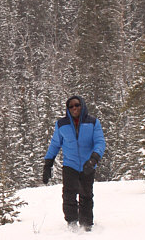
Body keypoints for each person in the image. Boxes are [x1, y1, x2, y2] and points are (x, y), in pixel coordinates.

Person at [41, 95, 106, 231]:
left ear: (82, 105)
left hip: (88, 164)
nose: (74, 108)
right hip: (70, 165)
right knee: (69, 195)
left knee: (86, 195)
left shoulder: (93, 122)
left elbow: (100, 142)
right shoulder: (61, 124)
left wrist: (94, 159)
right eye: (71, 106)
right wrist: (48, 164)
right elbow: (55, 144)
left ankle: (86, 225)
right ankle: (71, 224)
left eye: (77, 105)